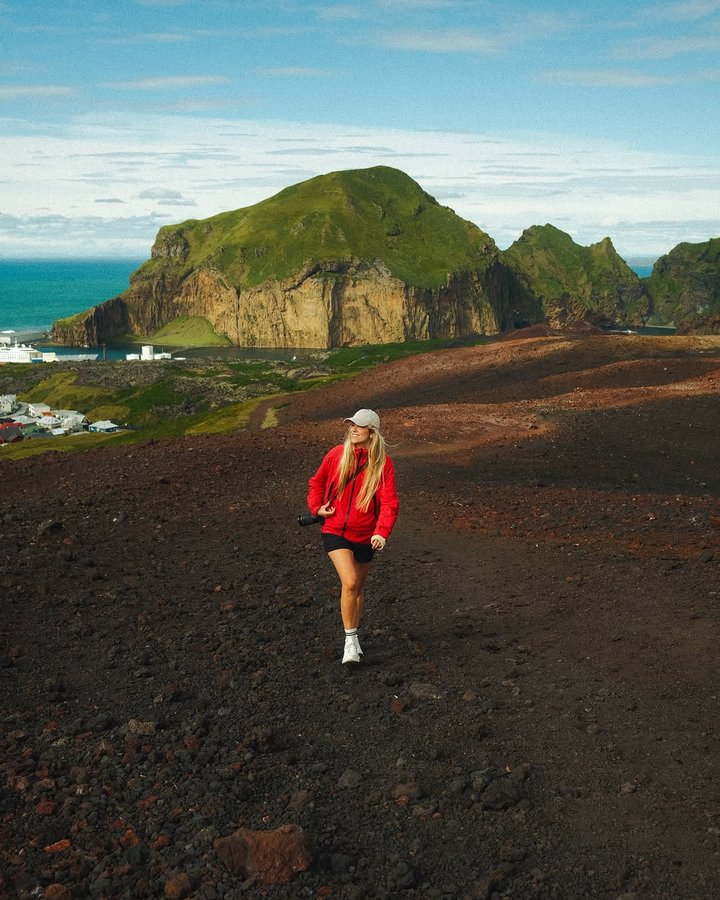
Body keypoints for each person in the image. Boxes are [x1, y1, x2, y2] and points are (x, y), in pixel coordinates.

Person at [306, 409, 399, 664]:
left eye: (359, 426)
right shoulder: (337, 454)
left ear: (372, 432)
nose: (353, 429)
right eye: (351, 425)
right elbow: (316, 482)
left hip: (366, 536)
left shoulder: (382, 464)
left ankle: (354, 637)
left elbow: (389, 503)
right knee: (349, 582)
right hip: (334, 530)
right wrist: (317, 508)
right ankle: (350, 641)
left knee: (357, 587)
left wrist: (381, 532)